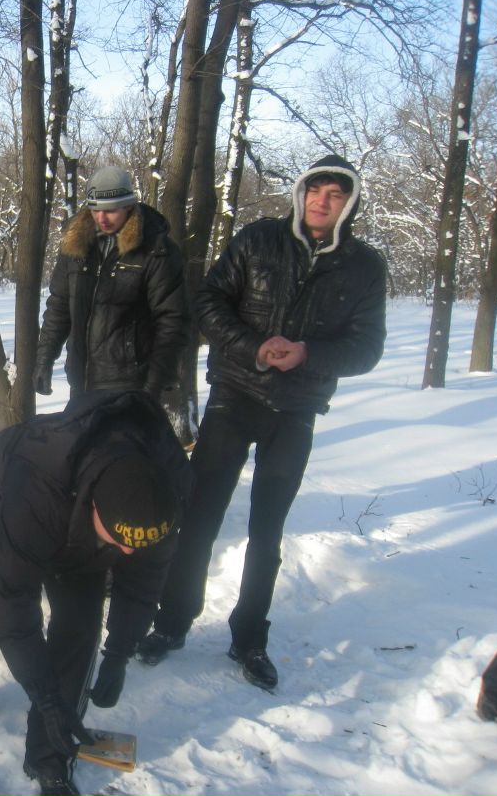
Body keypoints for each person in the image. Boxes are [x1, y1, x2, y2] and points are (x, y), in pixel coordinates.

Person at [137, 154, 388, 690]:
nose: (322, 201)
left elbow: (367, 348)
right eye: (316, 190)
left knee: (266, 530)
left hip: (297, 409)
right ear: (301, 193)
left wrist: (308, 354)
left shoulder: (365, 265)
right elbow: (208, 302)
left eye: (335, 195)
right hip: (235, 394)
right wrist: (254, 346)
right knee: (199, 517)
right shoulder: (257, 240)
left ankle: (249, 637)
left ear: (349, 204)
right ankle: (172, 622)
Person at [0, 390, 191, 796]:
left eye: (137, 544)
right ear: (95, 507)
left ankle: (51, 755)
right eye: (120, 541)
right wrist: (44, 695)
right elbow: (10, 597)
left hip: (81, 532)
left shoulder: (162, 493)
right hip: (3, 504)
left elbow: (144, 582)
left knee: (79, 630)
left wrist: (119, 652)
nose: (128, 554)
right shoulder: (38, 484)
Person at [34, 165, 189, 400]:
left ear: (128, 206)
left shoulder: (156, 251)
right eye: (95, 210)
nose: (101, 218)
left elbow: (173, 322)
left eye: (111, 210)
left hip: (131, 384)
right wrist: (44, 359)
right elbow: (59, 307)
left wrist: (154, 385)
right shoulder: (75, 246)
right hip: (81, 379)